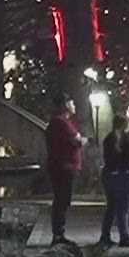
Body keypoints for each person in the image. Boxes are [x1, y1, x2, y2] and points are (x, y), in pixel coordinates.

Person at [45, 95, 86, 245]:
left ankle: (59, 233)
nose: (74, 104)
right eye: (71, 102)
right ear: (65, 105)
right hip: (64, 167)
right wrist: (80, 140)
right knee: (61, 200)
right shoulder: (60, 122)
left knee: (62, 200)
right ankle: (58, 235)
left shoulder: (63, 122)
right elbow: (76, 140)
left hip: (64, 167)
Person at [100, 118, 129, 248]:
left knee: (111, 207)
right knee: (123, 208)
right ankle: (124, 236)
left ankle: (105, 235)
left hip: (109, 175)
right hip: (124, 175)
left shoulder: (108, 139)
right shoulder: (126, 138)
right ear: (125, 125)